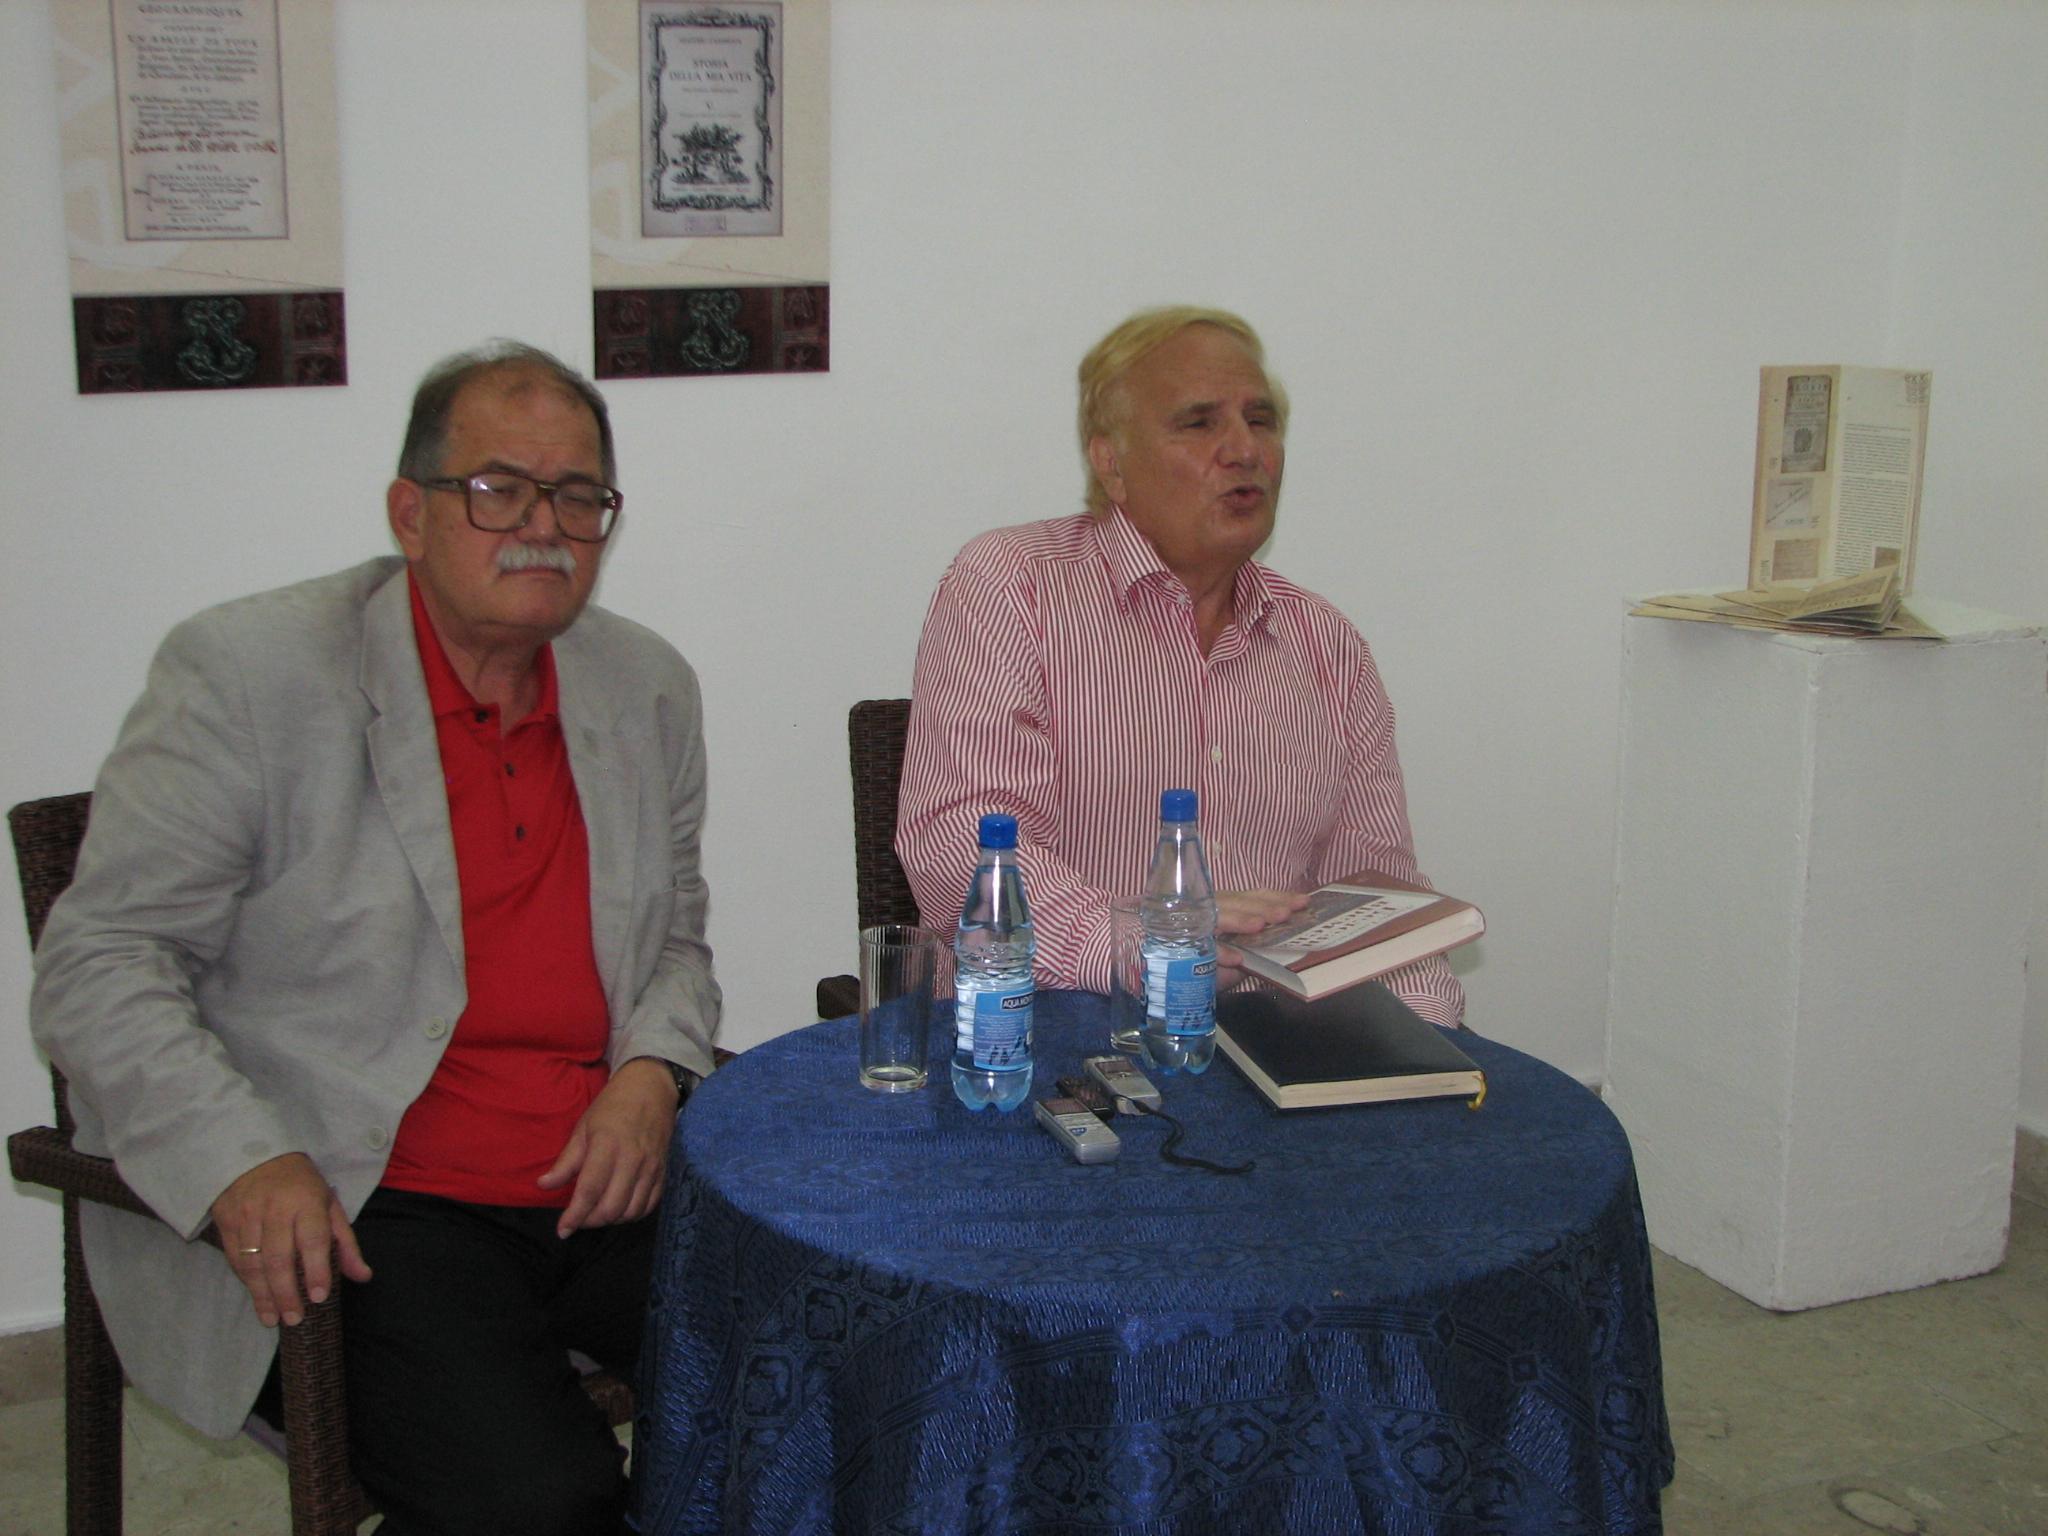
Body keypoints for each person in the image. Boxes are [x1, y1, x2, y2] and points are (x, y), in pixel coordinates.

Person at [31, 341, 721, 1535]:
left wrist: (652, 1073)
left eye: (577, 496)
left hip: (596, 1171)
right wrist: (241, 1160)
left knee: (818, 1365)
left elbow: (679, 935)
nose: (542, 527)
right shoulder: (249, 674)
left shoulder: (642, 685)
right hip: (362, 1197)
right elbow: (100, 965)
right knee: (542, 1503)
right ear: (411, 512)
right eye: (497, 489)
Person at [896, 305, 1464, 1027]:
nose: (1244, 450)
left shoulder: (1327, 645)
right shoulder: (1013, 587)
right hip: (1056, 1032)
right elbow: (963, 846)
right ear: (1111, 462)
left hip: (1277, 1044)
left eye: (1261, 420)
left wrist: (1422, 1031)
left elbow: (1376, 891)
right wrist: (1154, 947)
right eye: (1199, 423)